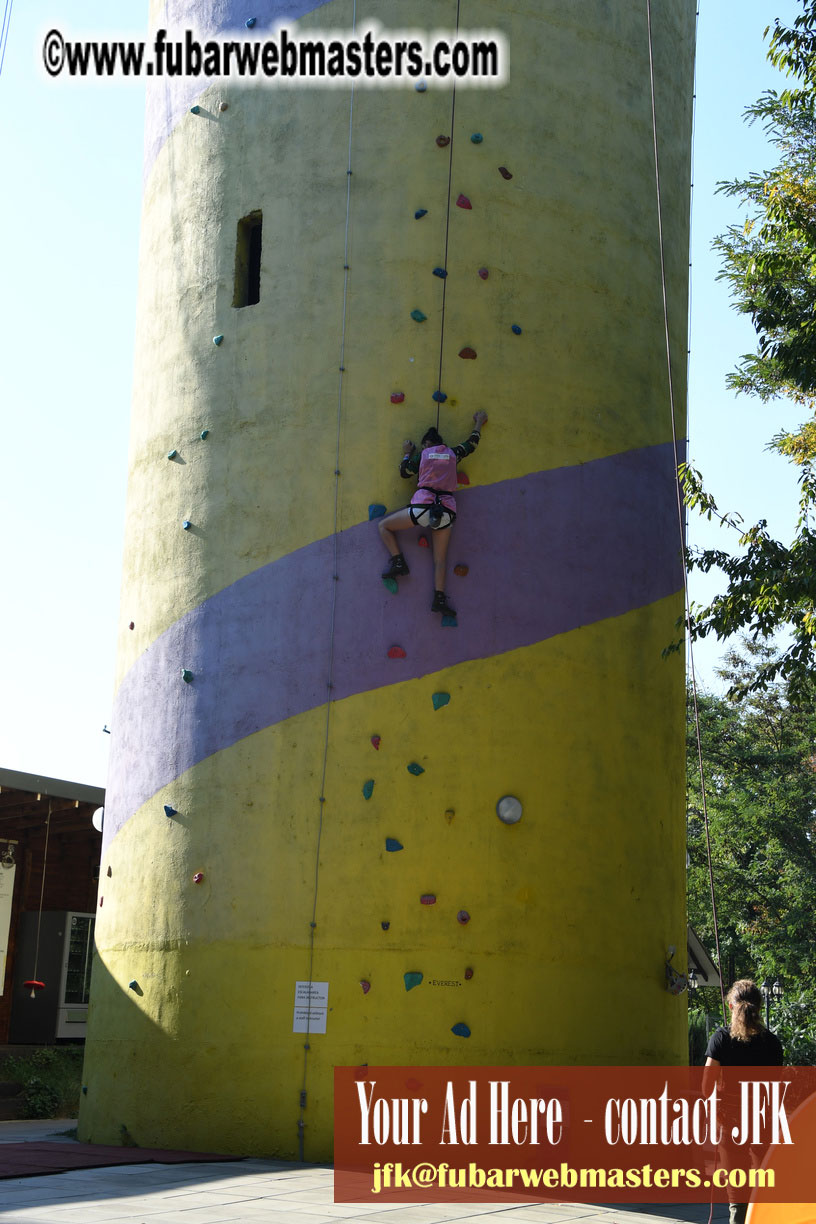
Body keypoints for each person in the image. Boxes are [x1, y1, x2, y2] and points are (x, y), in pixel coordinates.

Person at [378, 410, 488, 617]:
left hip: (423, 507)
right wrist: (479, 421)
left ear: (427, 444)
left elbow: (404, 472)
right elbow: (472, 443)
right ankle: (439, 599)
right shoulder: (453, 454)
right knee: (440, 560)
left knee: (383, 526)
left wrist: (407, 452)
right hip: (446, 511)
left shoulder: (423, 455)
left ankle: (398, 562)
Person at [703, 979, 784, 1224]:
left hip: (731, 1121)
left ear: (730, 1006)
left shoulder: (721, 1039)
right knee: (762, 1187)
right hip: (763, 1120)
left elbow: (706, 1087)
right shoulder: (772, 1043)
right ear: (759, 1008)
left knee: (737, 1192)